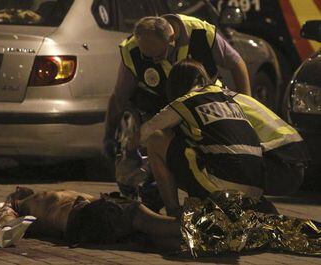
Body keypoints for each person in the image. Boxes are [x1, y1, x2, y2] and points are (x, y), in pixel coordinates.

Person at [103, 15, 251, 201]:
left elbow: (237, 64)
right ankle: (153, 193)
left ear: (172, 39)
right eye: (147, 56)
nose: (154, 61)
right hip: (161, 111)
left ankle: (215, 195)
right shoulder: (133, 50)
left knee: (213, 159)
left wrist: (246, 104)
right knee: (145, 149)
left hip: (207, 109)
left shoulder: (200, 33)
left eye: (158, 55)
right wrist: (110, 135)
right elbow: (120, 96)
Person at [138, 59, 309, 217]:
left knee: (162, 141)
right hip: (293, 162)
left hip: (279, 163)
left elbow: (147, 135)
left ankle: (174, 213)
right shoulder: (232, 98)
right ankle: (255, 207)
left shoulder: (192, 101)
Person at [0, 186, 321, 257]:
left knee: (166, 234)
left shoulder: (39, 200)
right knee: (168, 227)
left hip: (97, 219)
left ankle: (252, 234)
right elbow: (4, 230)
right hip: (96, 216)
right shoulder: (19, 205)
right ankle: (251, 232)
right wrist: (8, 209)